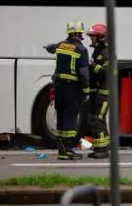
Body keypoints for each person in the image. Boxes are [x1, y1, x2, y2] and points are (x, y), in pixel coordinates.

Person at [44, 21, 90, 160]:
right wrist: (86, 90)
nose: (82, 36)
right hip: (71, 87)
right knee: (71, 116)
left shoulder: (60, 45)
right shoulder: (81, 50)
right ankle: (68, 150)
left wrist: (46, 47)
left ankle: (61, 149)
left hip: (58, 86)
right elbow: (83, 73)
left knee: (62, 115)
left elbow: (51, 48)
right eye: (81, 33)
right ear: (76, 33)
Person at [86, 23, 110, 159]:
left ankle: (102, 150)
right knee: (93, 119)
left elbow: (104, 74)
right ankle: (99, 147)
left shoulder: (106, 53)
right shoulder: (98, 51)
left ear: (101, 37)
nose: (91, 39)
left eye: (93, 37)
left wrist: (92, 64)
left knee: (98, 120)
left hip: (104, 94)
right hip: (97, 92)